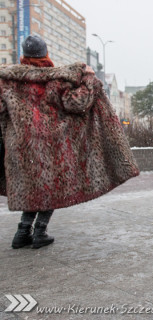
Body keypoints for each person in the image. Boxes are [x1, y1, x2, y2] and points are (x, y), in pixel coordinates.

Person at [0, 35, 139, 249]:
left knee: (31, 186)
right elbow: (77, 103)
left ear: (23, 56)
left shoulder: (7, 81)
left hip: (19, 144)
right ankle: (39, 232)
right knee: (50, 187)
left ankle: (22, 232)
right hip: (53, 144)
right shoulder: (56, 79)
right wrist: (91, 80)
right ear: (45, 54)